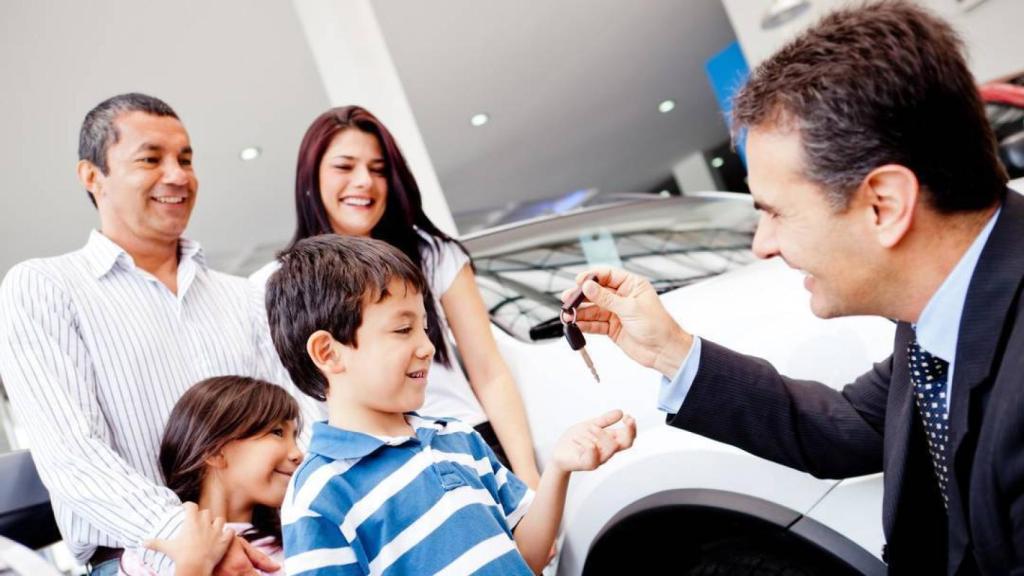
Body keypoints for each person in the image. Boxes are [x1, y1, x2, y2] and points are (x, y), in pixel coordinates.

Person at [566, 2, 1022, 574]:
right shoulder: (944, 312)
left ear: (884, 205)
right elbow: (847, 425)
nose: (762, 244)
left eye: (776, 212)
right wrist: (668, 349)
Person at [0, 93, 315, 575]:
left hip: (272, 547)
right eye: (151, 159)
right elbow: (72, 453)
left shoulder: (245, 296)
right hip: (135, 560)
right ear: (92, 176)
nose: (178, 175)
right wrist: (193, 541)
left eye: (186, 160)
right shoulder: (45, 288)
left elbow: (300, 422)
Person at [265, 234, 636, 574]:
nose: (427, 347)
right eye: (402, 329)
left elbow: (528, 555)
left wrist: (558, 468)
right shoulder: (319, 496)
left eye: (425, 327)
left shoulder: (458, 438)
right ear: (328, 353)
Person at [248, 106, 542, 488]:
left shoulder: (433, 255)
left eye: (378, 169)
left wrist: (527, 474)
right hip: (369, 469)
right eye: (344, 166)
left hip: (465, 442)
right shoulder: (278, 284)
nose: (363, 182)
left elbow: (489, 371)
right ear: (310, 178)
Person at [121, 376, 303, 576]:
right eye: (277, 432)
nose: (298, 454)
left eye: (294, 437)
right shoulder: (150, 554)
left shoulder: (295, 551)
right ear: (214, 452)